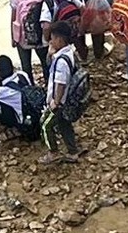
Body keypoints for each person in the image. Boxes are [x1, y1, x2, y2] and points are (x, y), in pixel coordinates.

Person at [40, 20, 83, 164]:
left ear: (59, 39)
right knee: (64, 125)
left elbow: (60, 83)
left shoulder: (62, 62)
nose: (51, 42)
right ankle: (72, 151)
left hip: (59, 101)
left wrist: (55, 102)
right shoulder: (68, 53)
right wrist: (51, 55)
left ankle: (53, 152)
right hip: (66, 101)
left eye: (52, 39)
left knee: (45, 125)